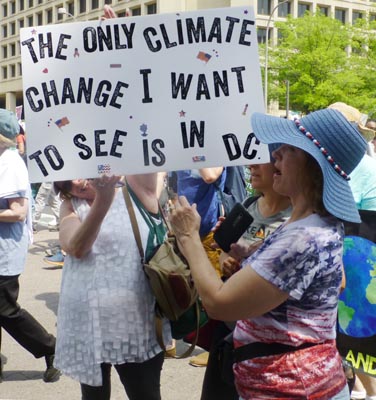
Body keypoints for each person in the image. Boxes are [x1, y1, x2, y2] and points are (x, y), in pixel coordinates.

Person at [169, 108, 367, 399]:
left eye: (287, 150)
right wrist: (253, 262)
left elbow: (219, 304)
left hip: (295, 389)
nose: (275, 156)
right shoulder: (312, 224)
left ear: (312, 166)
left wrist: (187, 236)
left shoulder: (303, 236)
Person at [54, 174, 171, 400]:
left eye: (77, 174)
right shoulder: (70, 206)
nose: (77, 183)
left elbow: (144, 157)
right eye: (70, 186)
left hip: (137, 324)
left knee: (145, 393)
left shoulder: (134, 190)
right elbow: (75, 248)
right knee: (94, 396)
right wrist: (103, 200)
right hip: (89, 325)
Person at [201, 161, 292, 400]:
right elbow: (224, 249)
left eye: (262, 161)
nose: (251, 166)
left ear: (281, 168)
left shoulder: (295, 223)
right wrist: (225, 260)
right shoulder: (248, 206)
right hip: (230, 332)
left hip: (266, 343)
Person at [0, 108, 59, 383]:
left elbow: (19, 212)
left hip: (6, 252)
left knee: (6, 310)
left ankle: (50, 347)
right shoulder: (4, 159)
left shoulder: (10, 163)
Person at [176, 167, 226, 367]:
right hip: (186, 230)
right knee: (185, 287)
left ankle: (215, 347)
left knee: (214, 291)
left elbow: (210, 176)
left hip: (208, 230)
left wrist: (194, 152)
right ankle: (179, 339)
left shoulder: (212, 153)